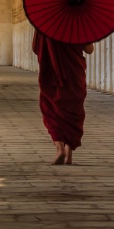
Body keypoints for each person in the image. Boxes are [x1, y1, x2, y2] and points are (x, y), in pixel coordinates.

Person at [32, 31, 95, 165]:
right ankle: (69, 153)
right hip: (74, 74)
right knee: (74, 110)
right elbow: (89, 50)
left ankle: (59, 148)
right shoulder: (79, 24)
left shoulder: (44, 25)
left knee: (51, 109)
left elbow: (35, 48)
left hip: (51, 75)